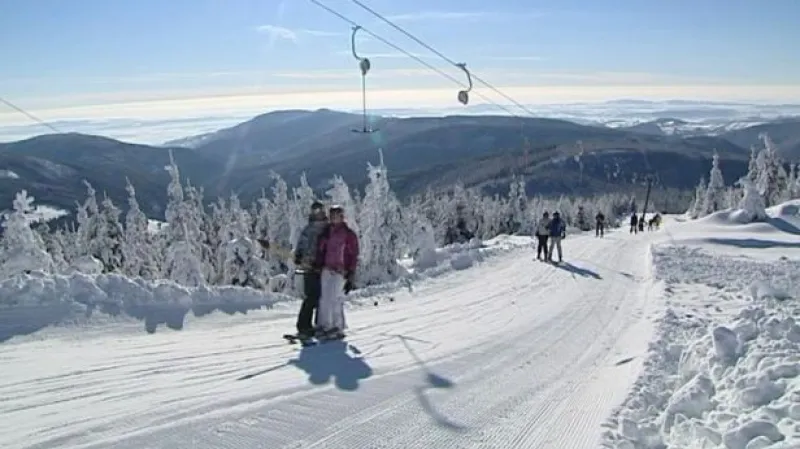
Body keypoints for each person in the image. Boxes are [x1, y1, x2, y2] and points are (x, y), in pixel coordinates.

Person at [315, 205, 359, 340]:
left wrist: (351, 272)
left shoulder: (348, 234)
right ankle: (324, 325)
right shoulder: (326, 232)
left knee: (335, 298)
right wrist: (318, 263)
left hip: (340, 270)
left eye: (337, 216)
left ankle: (337, 326)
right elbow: (321, 250)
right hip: (326, 268)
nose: (334, 218)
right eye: (332, 216)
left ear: (342, 217)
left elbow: (353, 253)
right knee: (324, 299)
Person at [292, 201, 328, 339]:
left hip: (323, 268)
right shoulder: (307, 229)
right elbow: (301, 243)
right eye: (315, 211)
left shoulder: (327, 229)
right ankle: (304, 326)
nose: (318, 213)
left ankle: (321, 324)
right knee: (310, 297)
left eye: (320, 210)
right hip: (308, 267)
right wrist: (299, 255)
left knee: (322, 298)